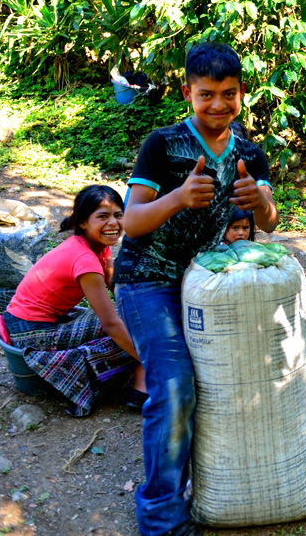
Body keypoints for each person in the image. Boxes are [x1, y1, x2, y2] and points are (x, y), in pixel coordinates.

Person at [114, 42, 279, 536]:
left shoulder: (250, 153)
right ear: (188, 93)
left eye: (229, 94)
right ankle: (161, 518)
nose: (218, 105)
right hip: (146, 280)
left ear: (242, 94)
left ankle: (209, 484)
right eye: (206, 94)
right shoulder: (162, 144)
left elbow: (268, 222)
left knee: (224, 386)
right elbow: (132, 222)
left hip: (205, 287)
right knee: (173, 383)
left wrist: (260, 201)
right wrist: (179, 197)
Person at [2, 185, 145, 416]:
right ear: (82, 223)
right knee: (129, 329)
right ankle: (133, 375)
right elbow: (110, 323)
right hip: (30, 330)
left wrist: (137, 310)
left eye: (118, 215)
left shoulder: (99, 246)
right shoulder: (84, 258)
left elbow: (114, 286)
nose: (113, 223)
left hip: (34, 320)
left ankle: (138, 372)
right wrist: (149, 359)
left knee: (136, 318)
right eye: (102, 216)